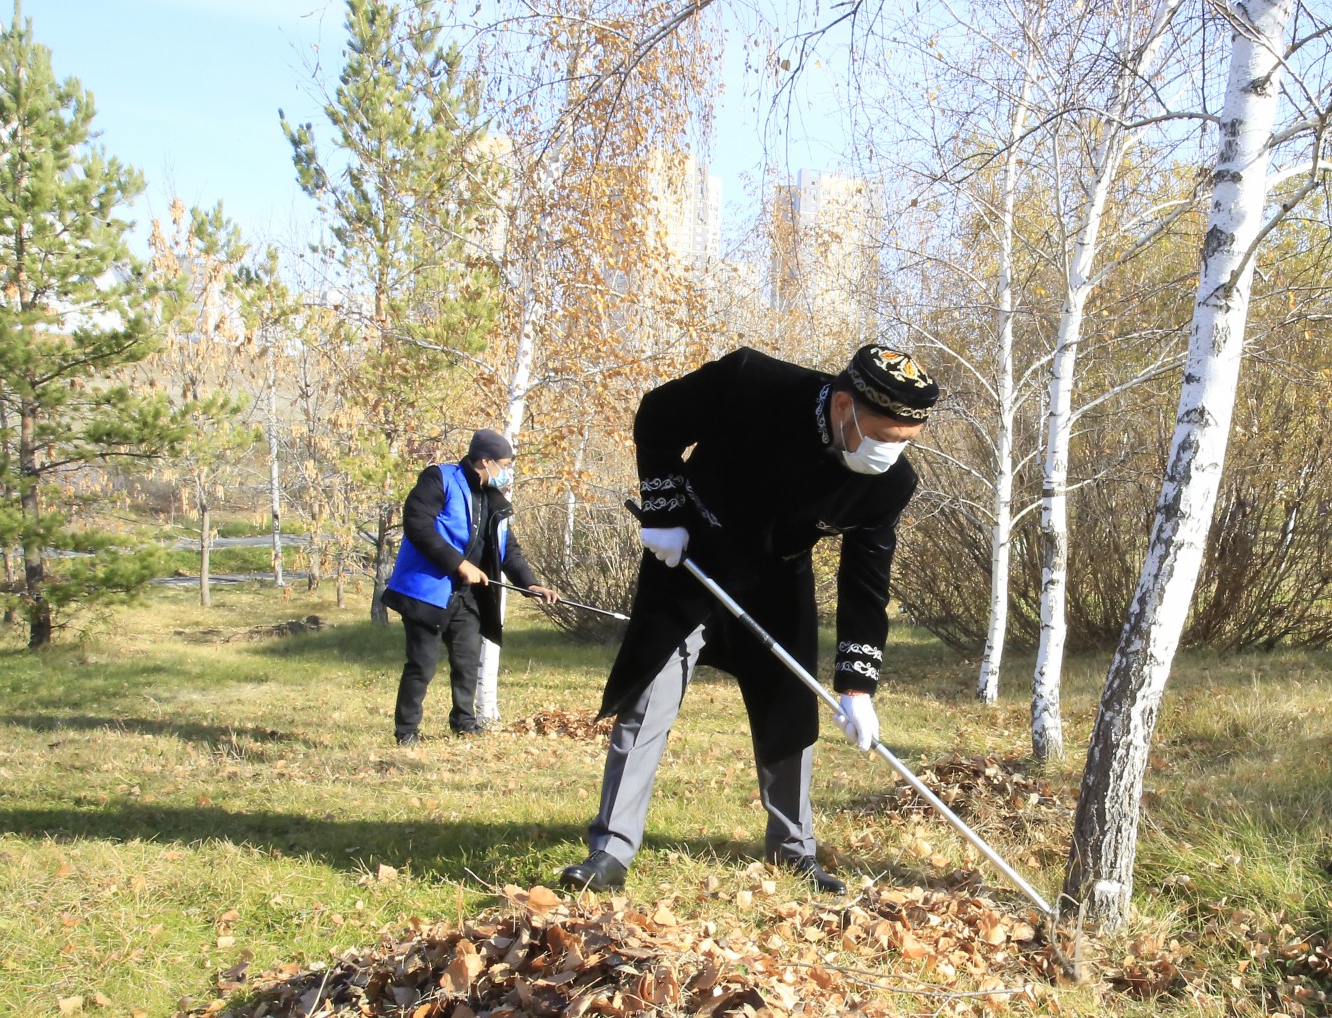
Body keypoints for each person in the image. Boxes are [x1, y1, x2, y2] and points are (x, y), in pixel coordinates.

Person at [557, 344, 939, 895]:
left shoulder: (890, 484)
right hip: (690, 559)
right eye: (883, 436)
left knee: (790, 709)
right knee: (648, 700)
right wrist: (665, 514)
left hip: (778, 582)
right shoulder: (751, 382)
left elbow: (866, 582)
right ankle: (610, 851)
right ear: (842, 406)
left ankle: (793, 851)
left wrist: (857, 687)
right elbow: (657, 417)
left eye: (904, 443)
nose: (889, 453)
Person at [384, 428, 557, 744]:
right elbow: (418, 525)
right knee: (421, 665)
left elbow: (509, 550)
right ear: (486, 460)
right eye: (503, 465)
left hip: (468, 598)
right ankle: (407, 732)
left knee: (466, 663)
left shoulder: (495, 500)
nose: (505, 473)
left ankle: (465, 724)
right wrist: (460, 565)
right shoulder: (439, 478)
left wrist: (531, 583)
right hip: (427, 591)